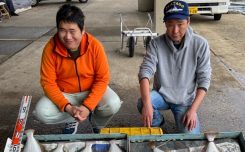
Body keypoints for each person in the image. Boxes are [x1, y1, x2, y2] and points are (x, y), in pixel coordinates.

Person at [33, 4, 121, 134]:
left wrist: (87, 106)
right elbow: (48, 83)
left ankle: (96, 123)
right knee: (41, 112)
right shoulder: (50, 49)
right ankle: (72, 118)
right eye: (62, 30)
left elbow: (102, 79)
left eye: (72, 31)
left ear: (82, 29)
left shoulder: (95, 46)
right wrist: (68, 108)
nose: (67, 37)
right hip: (65, 93)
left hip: (90, 89)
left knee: (113, 104)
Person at [137, 0, 211, 134]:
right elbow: (145, 72)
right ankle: (159, 123)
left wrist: (193, 110)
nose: (175, 30)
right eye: (170, 25)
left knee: (191, 139)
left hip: (185, 101)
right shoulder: (155, 44)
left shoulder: (201, 44)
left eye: (180, 24)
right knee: (143, 102)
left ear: (188, 21)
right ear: (165, 23)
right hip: (162, 95)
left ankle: (184, 118)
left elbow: (204, 80)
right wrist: (147, 105)